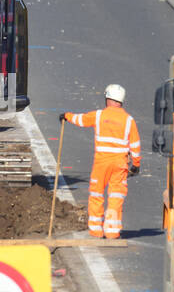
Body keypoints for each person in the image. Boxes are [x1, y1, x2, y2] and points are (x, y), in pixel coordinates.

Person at [61, 84, 142, 239]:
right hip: (120, 164)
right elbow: (135, 145)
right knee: (116, 196)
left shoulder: (99, 115)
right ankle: (112, 231)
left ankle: (96, 230)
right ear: (121, 101)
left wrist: (67, 116)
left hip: (101, 163)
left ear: (108, 99)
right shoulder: (129, 120)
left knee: (96, 194)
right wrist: (136, 164)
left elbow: (82, 119)